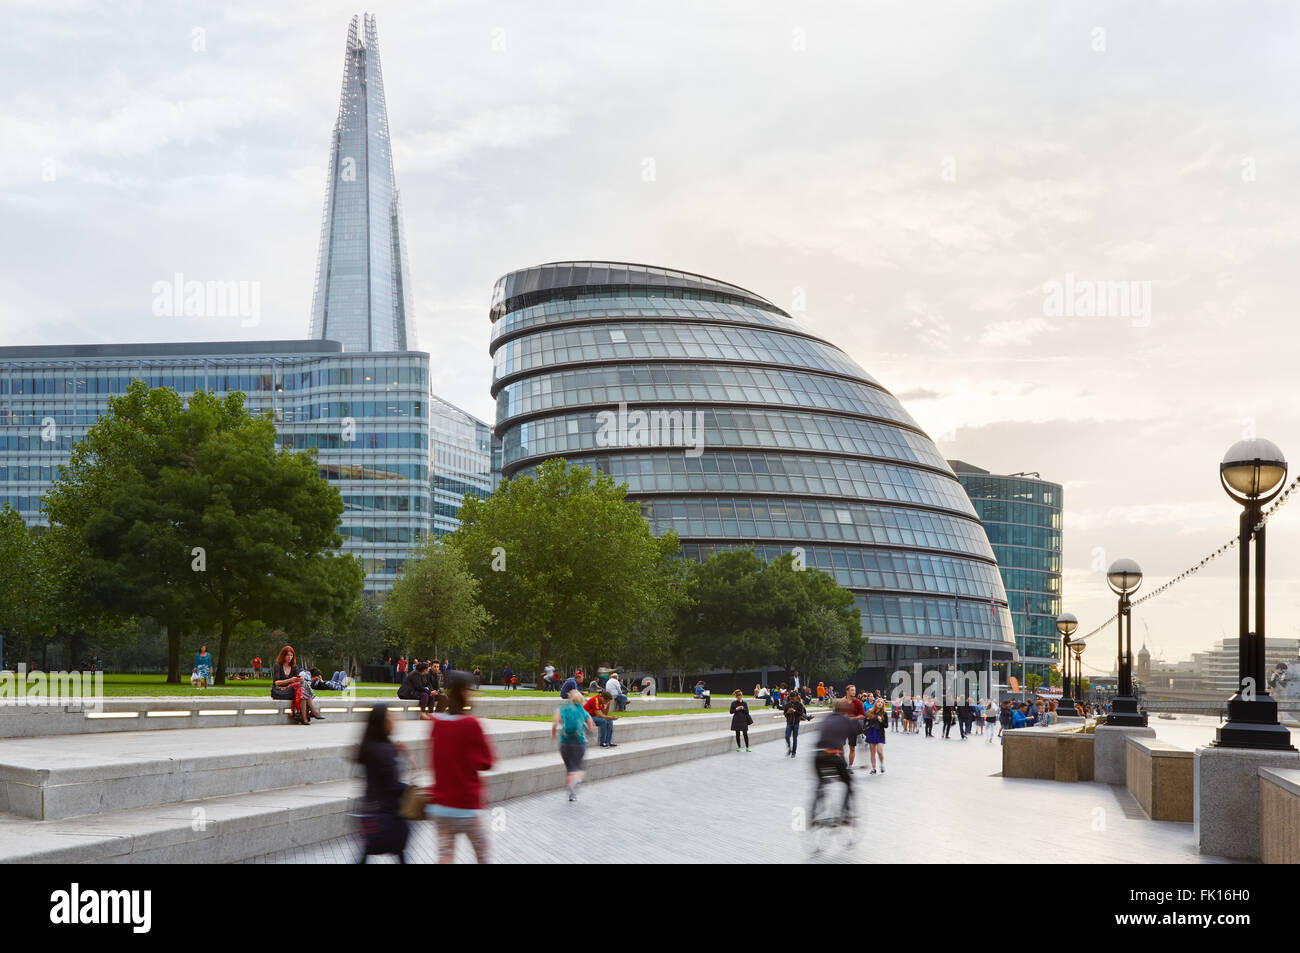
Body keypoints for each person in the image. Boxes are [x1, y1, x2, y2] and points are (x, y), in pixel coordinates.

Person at [428, 672, 495, 863]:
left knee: (445, 856)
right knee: (482, 854)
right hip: (466, 806)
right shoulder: (471, 724)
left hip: (441, 806)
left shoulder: (437, 724)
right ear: (465, 692)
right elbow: (487, 761)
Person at [355, 704, 411, 863]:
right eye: (391, 718)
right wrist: (413, 791)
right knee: (398, 848)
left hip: (369, 811)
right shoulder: (383, 751)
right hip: (387, 813)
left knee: (368, 851)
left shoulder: (370, 747)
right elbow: (393, 785)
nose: (395, 721)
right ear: (383, 722)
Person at [809, 699, 855, 823]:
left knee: (821, 782)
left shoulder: (826, 718)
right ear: (846, 710)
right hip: (832, 755)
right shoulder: (845, 720)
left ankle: (814, 812)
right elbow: (855, 739)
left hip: (817, 756)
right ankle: (845, 813)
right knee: (849, 783)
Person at [552, 690, 594, 801]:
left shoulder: (562, 709)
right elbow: (591, 726)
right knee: (579, 767)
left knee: (569, 768)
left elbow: (555, 723)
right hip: (579, 743)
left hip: (564, 742)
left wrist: (553, 735)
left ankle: (571, 792)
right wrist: (588, 731)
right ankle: (576, 781)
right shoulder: (583, 711)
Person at [270, 643, 311, 726]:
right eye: (287, 655)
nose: (289, 657)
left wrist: (301, 679)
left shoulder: (294, 667)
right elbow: (276, 682)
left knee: (301, 688)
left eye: (291, 655)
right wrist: (290, 680)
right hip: (279, 690)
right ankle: (310, 714)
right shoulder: (278, 665)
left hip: (292, 690)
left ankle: (304, 718)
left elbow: (298, 681)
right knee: (301, 690)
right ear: (283, 655)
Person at [843, 685, 866, 768]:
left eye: (854, 690)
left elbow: (862, 715)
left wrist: (853, 718)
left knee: (852, 748)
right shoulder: (842, 701)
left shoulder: (858, 702)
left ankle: (850, 766)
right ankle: (842, 763)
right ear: (847, 691)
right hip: (842, 727)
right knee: (840, 747)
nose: (854, 692)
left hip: (853, 727)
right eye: (852, 690)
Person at [864, 698, 888, 774]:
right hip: (871, 732)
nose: (880, 703)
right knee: (872, 752)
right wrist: (866, 729)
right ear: (876, 703)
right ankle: (873, 768)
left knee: (879, 751)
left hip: (880, 733)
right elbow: (865, 722)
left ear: (883, 705)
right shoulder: (870, 712)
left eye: (881, 702)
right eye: (878, 702)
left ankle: (881, 764)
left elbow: (886, 725)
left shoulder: (884, 713)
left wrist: (881, 720)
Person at [782, 688, 807, 756]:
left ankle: (794, 752)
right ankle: (789, 748)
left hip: (796, 723)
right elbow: (785, 714)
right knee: (787, 736)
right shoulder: (787, 705)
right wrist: (788, 712)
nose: (792, 699)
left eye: (793, 697)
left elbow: (801, 714)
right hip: (789, 723)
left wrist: (794, 711)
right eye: (791, 698)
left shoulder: (800, 705)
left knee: (795, 738)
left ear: (796, 697)